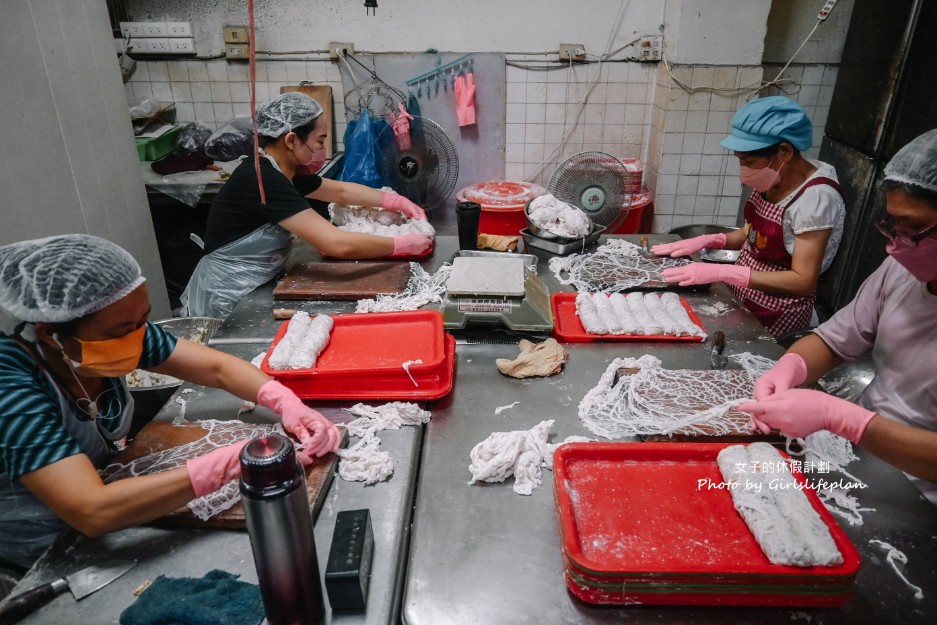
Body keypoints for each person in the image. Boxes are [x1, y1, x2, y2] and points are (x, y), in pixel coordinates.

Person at [0, 235, 342, 567]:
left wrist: (284, 400)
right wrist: (229, 464)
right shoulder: (11, 387)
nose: (138, 337)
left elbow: (217, 367)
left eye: (142, 320)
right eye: (121, 330)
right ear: (49, 333)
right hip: (43, 546)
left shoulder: (122, 334)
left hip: (119, 505)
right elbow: (91, 510)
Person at [738, 129, 937, 505]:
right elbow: (834, 339)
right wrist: (790, 368)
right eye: (893, 224)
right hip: (859, 456)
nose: (898, 241)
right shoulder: (900, 272)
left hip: (921, 494)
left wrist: (844, 418)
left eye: (914, 227)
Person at [181, 91, 433, 319]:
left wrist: (394, 200)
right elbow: (336, 243)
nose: (322, 149)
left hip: (253, 282)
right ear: (291, 141)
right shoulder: (261, 179)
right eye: (320, 140)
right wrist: (400, 245)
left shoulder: (281, 171)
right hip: (228, 295)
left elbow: (341, 190)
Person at [653, 96, 846, 338]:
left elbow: (802, 281)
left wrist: (724, 273)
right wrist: (713, 240)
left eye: (748, 161)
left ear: (784, 152)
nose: (743, 170)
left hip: (778, 315)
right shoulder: (775, 175)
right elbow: (754, 233)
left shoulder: (815, 199)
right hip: (742, 301)